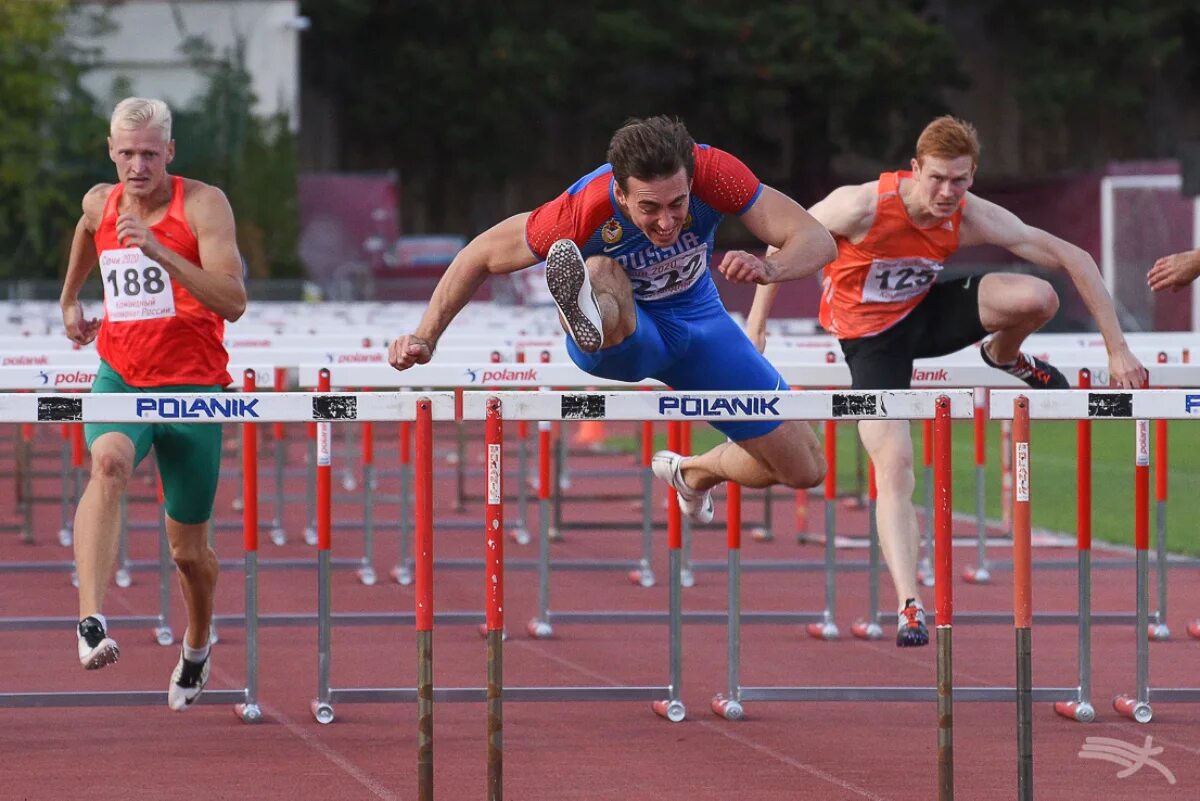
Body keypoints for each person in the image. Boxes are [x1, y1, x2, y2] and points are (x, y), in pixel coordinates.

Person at [747, 116, 1147, 647]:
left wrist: (1118, 350)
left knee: (1037, 297)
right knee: (895, 464)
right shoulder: (861, 205)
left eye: (959, 181)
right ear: (914, 170)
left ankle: (1003, 356)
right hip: (871, 340)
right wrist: (755, 331)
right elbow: (781, 244)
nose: (946, 192)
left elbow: (1074, 256)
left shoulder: (969, 212)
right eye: (936, 178)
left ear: (972, 177)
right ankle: (908, 603)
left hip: (926, 315)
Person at [390, 116, 837, 518]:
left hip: (702, 326)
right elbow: (479, 255)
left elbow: (816, 239)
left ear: (690, 182)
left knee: (805, 468)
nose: (666, 222)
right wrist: (426, 336)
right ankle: (586, 312)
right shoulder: (580, 209)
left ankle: (692, 473)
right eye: (649, 208)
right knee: (603, 268)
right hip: (628, 339)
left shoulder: (715, 175)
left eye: (677, 204)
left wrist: (770, 267)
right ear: (620, 194)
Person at [60, 97, 247, 710]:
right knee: (108, 462)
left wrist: (162, 252)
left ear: (170, 151)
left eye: (149, 153)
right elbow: (89, 230)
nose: (137, 166)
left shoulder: (203, 204)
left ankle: (197, 642)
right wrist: (70, 300)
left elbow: (233, 301)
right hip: (122, 376)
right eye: (126, 153)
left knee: (187, 551)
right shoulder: (100, 200)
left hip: (193, 390)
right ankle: (91, 621)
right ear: (111, 152)